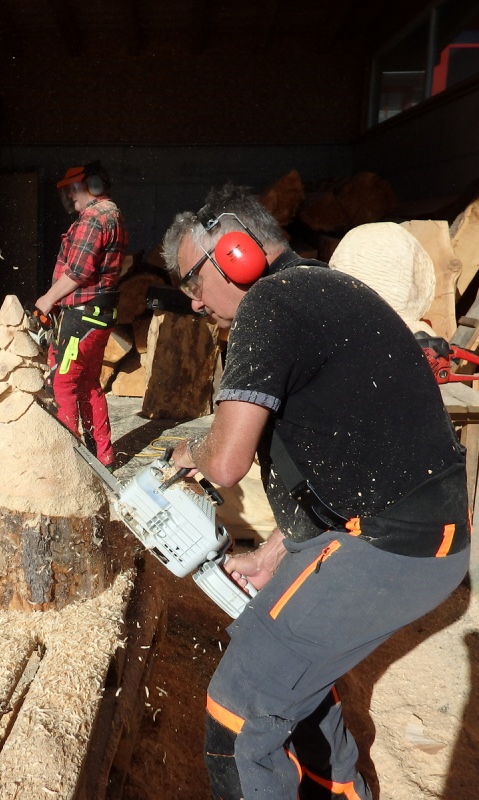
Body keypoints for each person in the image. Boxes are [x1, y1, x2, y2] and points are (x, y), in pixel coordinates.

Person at [160, 184, 470, 799]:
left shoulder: (270, 305)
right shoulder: (326, 288)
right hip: (409, 532)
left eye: (194, 280)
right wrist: (276, 551)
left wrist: (187, 452)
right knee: (281, 662)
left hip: (391, 543)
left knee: (239, 707)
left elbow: (225, 461)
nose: (193, 302)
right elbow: (350, 460)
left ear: (237, 254)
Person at [35, 161, 128, 467]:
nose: (71, 195)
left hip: (82, 316)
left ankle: (69, 461)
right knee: (89, 383)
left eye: (74, 188)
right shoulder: (113, 214)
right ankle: (103, 456)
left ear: (93, 185)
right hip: (97, 315)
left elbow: (78, 272)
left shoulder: (94, 217)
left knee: (62, 383)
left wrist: (46, 300)